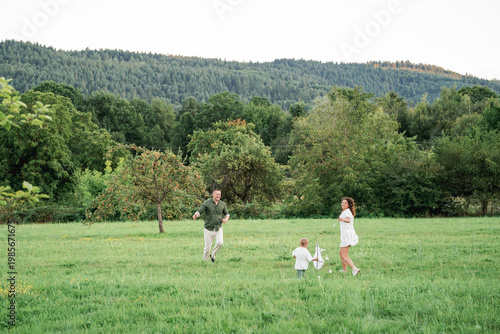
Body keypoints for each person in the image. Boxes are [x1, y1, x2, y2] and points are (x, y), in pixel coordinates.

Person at [193, 189, 229, 262]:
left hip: (218, 227)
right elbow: (200, 211)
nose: (218, 196)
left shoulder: (222, 204)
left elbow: (227, 214)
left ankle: (213, 254)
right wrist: (196, 214)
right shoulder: (207, 203)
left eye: (219, 194)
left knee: (220, 243)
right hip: (208, 229)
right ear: (213, 194)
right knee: (207, 247)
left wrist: (226, 219)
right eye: (217, 194)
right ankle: (205, 262)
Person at [338, 197, 360, 276]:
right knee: (341, 253)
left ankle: (354, 269)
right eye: (342, 202)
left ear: (349, 205)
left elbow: (348, 220)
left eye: (345, 203)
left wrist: (342, 219)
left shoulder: (347, 212)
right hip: (346, 235)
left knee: (344, 255)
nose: (343, 204)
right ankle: (345, 270)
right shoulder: (346, 211)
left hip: (347, 235)